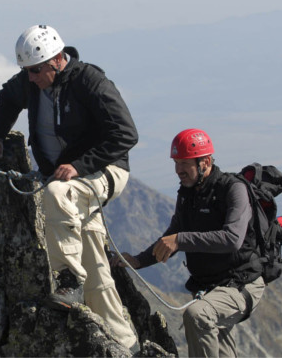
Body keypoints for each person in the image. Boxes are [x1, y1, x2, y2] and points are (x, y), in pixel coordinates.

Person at [0, 25, 139, 350]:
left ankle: (67, 282)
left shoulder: (90, 82)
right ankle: (127, 346)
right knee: (95, 268)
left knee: (56, 194)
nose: (31, 78)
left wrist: (80, 166)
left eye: (35, 71)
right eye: (26, 72)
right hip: (70, 180)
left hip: (104, 172)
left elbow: (126, 134)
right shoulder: (32, 82)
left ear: (55, 60)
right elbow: (7, 99)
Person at [111, 128, 266, 357]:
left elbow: (232, 239)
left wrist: (181, 240)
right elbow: (172, 236)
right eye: (176, 163)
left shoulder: (233, 189)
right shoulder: (187, 193)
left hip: (241, 284)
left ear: (206, 162)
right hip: (212, 287)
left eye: (184, 164)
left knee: (197, 315)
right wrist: (138, 261)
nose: (178, 170)